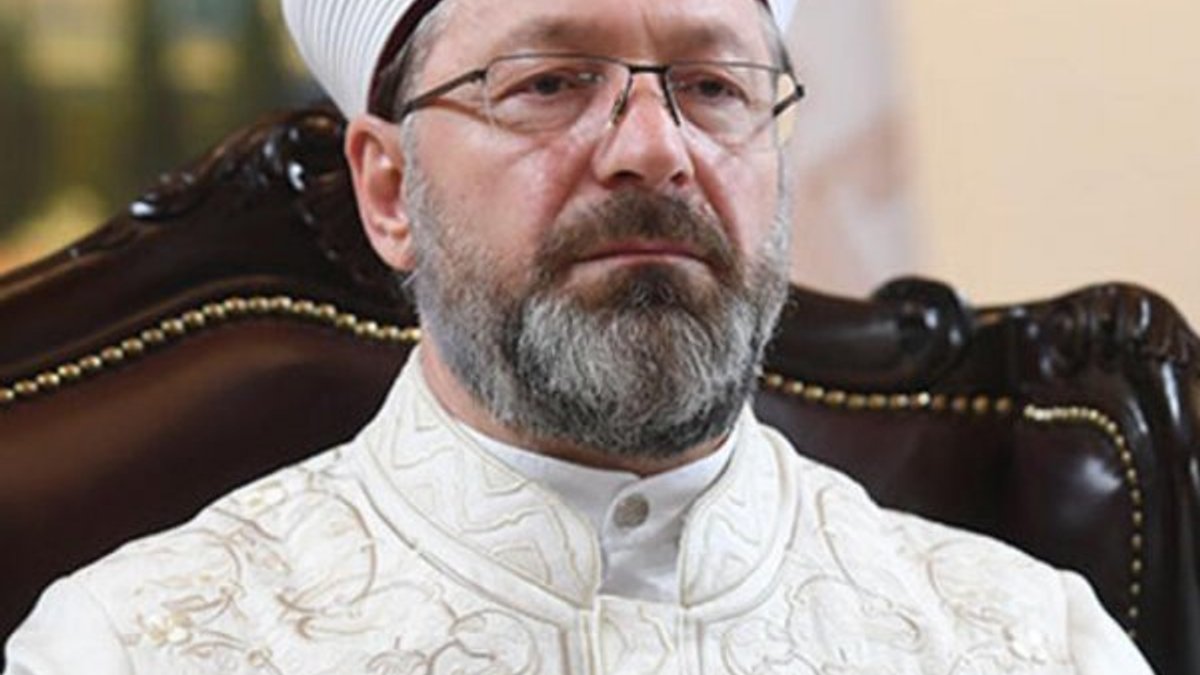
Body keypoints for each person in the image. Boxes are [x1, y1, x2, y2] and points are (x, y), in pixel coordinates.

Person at [2, 0, 1155, 672]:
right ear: (389, 191)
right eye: (550, 82)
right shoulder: (133, 648)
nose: (654, 149)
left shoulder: (1030, 642)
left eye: (714, 87)